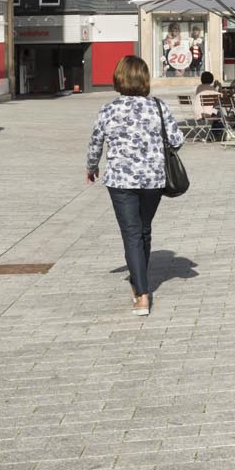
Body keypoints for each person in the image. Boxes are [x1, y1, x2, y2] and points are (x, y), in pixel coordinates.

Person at [85, 55, 184, 316]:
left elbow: (95, 143)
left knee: (132, 233)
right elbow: (177, 139)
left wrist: (92, 167)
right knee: (144, 229)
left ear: (118, 78)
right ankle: (139, 280)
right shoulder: (158, 107)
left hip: (120, 180)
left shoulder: (108, 109)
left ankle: (141, 293)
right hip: (153, 178)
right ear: (144, 79)